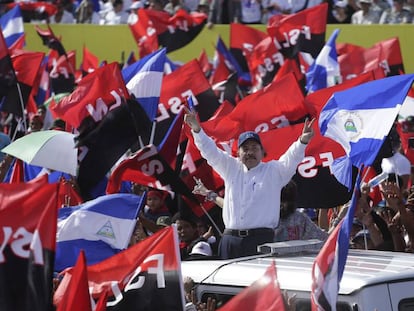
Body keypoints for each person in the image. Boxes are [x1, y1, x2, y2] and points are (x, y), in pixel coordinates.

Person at [184, 107, 315, 259]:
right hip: (230, 240)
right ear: (238, 153)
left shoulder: (273, 171)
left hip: (260, 241)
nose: (250, 152)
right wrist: (197, 129)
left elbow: (291, 159)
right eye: (245, 149)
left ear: (262, 151)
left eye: (254, 148)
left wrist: (303, 141)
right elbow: (210, 152)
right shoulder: (231, 168)